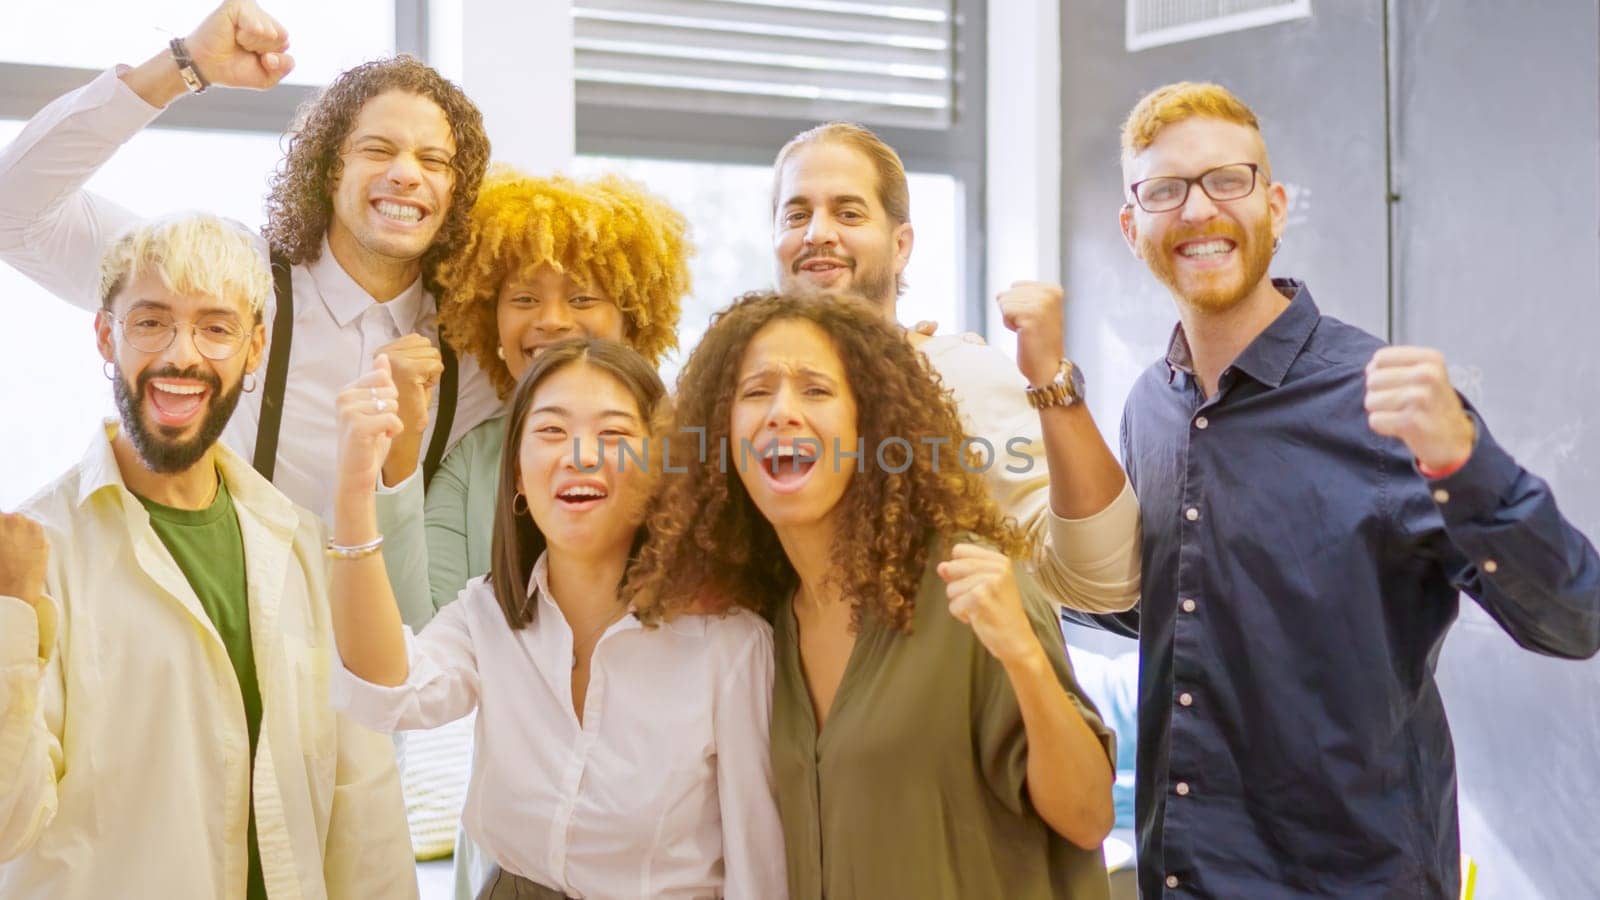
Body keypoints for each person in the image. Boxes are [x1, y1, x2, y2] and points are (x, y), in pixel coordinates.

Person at [1104, 81, 1600, 897]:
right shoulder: (1150, 406)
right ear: (1133, 227)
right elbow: (1160, 604)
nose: (1198, 210)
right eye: (1164, 190)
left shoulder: (1382, 402)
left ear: (1274, 205)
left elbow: (1574, 618)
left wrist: (1462, 460)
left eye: (1226, 179)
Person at [626, 291, 1117, 899]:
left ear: (872, 426)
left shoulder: (966, 583)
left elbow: (1089, 814)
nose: (781, 411)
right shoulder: (766, 626)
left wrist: (1023, 656)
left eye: (816, 390)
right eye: (755, 393)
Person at [0, 213, 415, 899]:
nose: (180, 355)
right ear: (107, 336)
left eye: (216, 327)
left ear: (255, 350)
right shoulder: (34, 558)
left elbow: (362, 799)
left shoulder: (303, 546)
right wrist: (10, 620)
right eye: (151, 322)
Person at [0, 0, 500, 519]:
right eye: (377, 149)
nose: (405, 174)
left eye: (433, 160)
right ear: (331, 170)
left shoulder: (479, 349)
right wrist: (183, 64)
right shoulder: (226, 278)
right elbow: (13, 211)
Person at [327, 338, 785, 899]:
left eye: (614, 434)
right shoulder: (488, 613)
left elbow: (758, 867)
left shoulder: (729, 646)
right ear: (518, 474)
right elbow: (387, 691)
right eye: (550, 431)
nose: (581, 455)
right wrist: (354, 492)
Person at [769, 122, 1140, 614]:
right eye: (796, 215)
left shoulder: (961, 377)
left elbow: (1105, 582)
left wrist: (1051, 381)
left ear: (900, 246)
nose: (817, 233)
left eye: (848, 212)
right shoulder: (746, 404)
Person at [378, 166, 690, 629]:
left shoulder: (686, 448)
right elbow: (419, 632)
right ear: (492, 325)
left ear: (634, 321)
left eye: (582, 299)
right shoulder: (475, 458)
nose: (552, 321)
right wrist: (399, 448)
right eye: (524, 299)